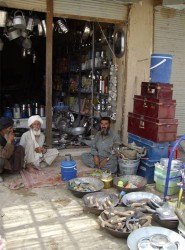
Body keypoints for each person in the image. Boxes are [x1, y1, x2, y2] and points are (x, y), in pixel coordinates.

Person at [0, 117, 25, 182]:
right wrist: (9, 141)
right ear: (3, 129)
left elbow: (12, 149)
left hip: (6, 157)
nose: (11, 130)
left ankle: (14, 170)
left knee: (20, 148)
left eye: (12, 128)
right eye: (10, 128)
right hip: (2, 158)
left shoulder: (5, 134)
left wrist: (11, 140)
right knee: (1, 159)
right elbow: (4, 155)